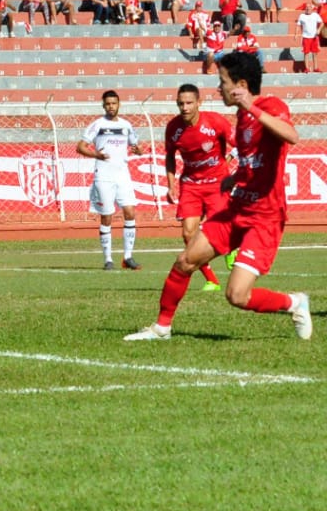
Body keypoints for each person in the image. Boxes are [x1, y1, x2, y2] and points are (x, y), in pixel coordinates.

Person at [125, 52, 311, 341]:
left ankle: (294, 303)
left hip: (265, 218)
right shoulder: (240, 115)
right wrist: (234, 177)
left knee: (237, 295)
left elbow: (291, 136)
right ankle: (162, 327)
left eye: (221, 81)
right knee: (186, 260)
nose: (218, 88)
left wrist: (252, 107)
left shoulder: (270, 105)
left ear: (241, 84)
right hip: (236, 209)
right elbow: (254, 161)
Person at [164, 83, 232, 294]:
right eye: (180, 104)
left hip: (216, 183)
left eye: (189, 103)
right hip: (191, 184)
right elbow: (169, 157)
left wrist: (228, 162)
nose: (184, 108)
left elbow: (238, 144)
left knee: (219, 230)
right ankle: (211, 279)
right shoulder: (173, 128)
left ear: (198, 103)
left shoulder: (215, 122)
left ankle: (232, 248)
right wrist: (170, 185)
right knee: (188, 234)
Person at [77, 90, 142, 271]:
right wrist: (96, 154)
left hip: (123, 175)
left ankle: (128, 257)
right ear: (103, 105)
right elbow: (80, 147)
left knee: (130, 212)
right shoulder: (97, 125)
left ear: (119, 104)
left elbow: (136, 145)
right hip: (104, 176)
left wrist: (138, 150)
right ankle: (108, 259)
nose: (111, 107)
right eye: (108, 104)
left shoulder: (126, 125)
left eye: (114, 103)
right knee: (107, 216)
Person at [296, 2, 323, 72]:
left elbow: (322, 22)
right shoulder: (302, 16)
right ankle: (307, 68)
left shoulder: (315, 15)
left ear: (312, 8)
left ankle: (316, 68)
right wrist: (296, 34)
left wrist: (319, 29)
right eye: (307, 7)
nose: (308, 8)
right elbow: (298, 25)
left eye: (309, 7)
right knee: (306, 53)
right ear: (305, 8)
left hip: (314, 37)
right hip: (306, 37)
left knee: (315, 53)